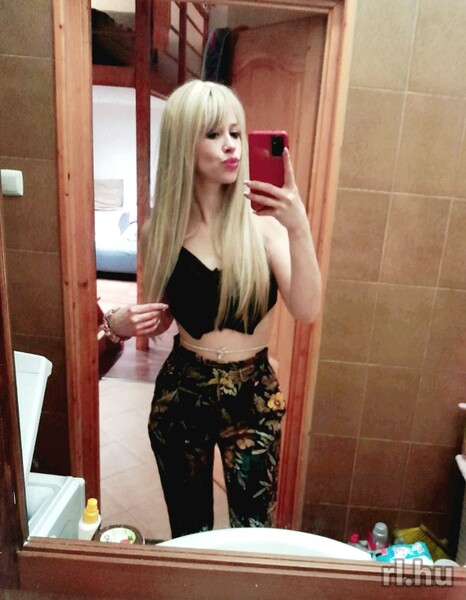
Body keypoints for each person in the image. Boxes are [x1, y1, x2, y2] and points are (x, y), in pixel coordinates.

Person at [103, 79, 321, 538]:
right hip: (183, 393)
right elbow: (160, 316)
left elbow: (306, 309)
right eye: (214, 134)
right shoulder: (159, 231)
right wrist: (119, 324)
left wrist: (299, 227)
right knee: (189, 532)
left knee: (253, 534)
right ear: (184, 143)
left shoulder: (265, 225)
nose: (231, 146)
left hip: (253, 396)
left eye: (236, 133)